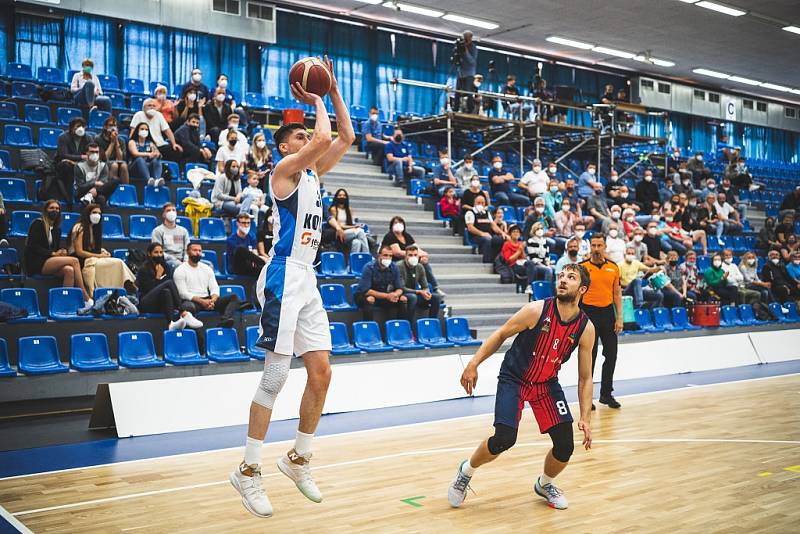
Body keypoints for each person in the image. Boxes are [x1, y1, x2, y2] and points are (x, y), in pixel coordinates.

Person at [231, 61, 355, 517]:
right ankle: (246, 471)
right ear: (285, 146)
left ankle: (298, 457)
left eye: (306, 134)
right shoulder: (283, 173)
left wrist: (335, 90)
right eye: (298, 136)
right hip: (284, 274)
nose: (307, 138)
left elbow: (344, 137)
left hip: (309, 277)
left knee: (321, 373)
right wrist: (314, 96)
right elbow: (323, 138)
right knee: (277, 376)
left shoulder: (314, 176)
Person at [448, 264, 595, 510]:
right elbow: (501, 334)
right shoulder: (536, 310)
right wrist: (473, 364)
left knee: (565, 446)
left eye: (570, 277)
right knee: (504, 438)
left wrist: (586, 417)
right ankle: (466, 471)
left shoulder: (585, 328)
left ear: (582, 289)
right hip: (514, 378)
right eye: (560, 276)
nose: (562, 280)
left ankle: (545, 484)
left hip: (546, 384)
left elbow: (585, 378)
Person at [579, 234, 623, 409]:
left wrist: (619, 317)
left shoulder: (613, 267)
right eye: (594, 245)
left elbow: (617, 294)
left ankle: (606, 395)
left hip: (607, 314)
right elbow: (576, 294)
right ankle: (587, 398)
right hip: (588, 314)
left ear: (605, 247)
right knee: (590, 357)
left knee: (611, 355)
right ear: (590, 247)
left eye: (599, 245)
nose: (596, 249)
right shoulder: (582, 267)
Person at [24, 200, 91, 304]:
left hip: (49, 260)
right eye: (52, 208)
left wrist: (61, 251)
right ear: (46, 210)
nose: (54, 210)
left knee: (69, 270)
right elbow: (33, 246)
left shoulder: (57, 229)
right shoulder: (38, 224)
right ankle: (85, 297)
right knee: (74, 261)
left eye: (57, 208)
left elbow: (54, 248)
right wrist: (52, 254)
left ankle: (64, 303)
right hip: (36, 262)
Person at [69, 203, 136, 295]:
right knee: (117, 263)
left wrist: (101, 250)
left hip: (92, 258)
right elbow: (79, 252)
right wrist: (99, 255)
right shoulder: (79, 227)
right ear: (87, 214)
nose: (97, 215)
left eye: (99, 213)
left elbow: (90, 248)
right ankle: (129, 284)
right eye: (94, 212)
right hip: (81, 260)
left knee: (117, 262)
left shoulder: (94, 228)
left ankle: (123, 286)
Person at [136, 242, 203, 330]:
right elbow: (149, 289)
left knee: (166, 291)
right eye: (156, 252)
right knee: (169, 282)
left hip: (159, 302)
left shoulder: (165, 266)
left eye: (161, 252)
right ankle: (183, 312)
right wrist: (157, 277)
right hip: (146, 302)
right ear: (149, 253)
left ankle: (170, 323)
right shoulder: (144, 269)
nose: (159, 255)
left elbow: (167, 288)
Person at [174, 242, 242, 328]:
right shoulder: (180, 270)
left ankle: (225, 320)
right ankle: (195, 335)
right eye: (194, 250)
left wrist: (212, 300)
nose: (198, 253)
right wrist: (202, 302)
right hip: (192, 301)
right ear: (188, 252)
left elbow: (214, 287)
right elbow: (182, 293)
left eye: (200, 250)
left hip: (208, 299)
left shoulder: (207, 268)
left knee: (234, 297)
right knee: (187, 307)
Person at [381, 216, 443, 296]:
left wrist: (423, 256)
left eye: (400, 222)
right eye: (395, 223)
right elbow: (398, 253)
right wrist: (416, 256)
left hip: (408, 260)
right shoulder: (390, 236)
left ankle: (434, 288)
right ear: (391, 225)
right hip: (396, 261)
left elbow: (417, 249)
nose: (398, 224)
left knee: (424, 263)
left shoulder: (407, 236)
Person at [356, 245, 407, 321]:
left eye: (390, 256)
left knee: (403, 299)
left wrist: (395, 295)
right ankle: (369, 328)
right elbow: (366, 291)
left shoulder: (394, 267)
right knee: (370, 299)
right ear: (379, 255)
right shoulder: (369, 267)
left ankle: (401, 328)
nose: (388, 258)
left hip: (386, 294)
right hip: (367, 295)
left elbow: (400, 288)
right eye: (385, 255)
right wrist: (387, 296)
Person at [129, 99, 183, 163]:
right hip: (145, 144)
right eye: (149, 105)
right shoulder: (138, 115)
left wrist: (174, 144)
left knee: (176, 151)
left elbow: (167, 131)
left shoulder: (159, 115)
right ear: (143, 108)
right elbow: (132, 133)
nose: (152, 107)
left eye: (154, 106)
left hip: (159, 144)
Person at [398, 245, 442, 323]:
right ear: (405, 256)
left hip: (414, 293)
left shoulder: (419, 267)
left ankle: (432, 325)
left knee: (436, 297)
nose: (413, 257)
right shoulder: (399, 266)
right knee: (413, 297)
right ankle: (409, 326)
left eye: (415, 255)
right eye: (410, 255)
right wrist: (419, 292)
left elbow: (425, 285)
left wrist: (426, 292)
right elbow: (401, 287)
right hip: (401, 294)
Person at [54, 118, 93, 204]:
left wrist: (76, 162)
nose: (81, 128)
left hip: (80, 164)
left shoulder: (88, 138)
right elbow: (63, 155)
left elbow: (91, 155)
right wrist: (81, 157)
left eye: (83, 126)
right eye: (78, 126)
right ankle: (69, 198)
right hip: (63, 165)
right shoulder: (63, 137)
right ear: (72, 128)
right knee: (67, 165)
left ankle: (86, 196)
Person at [74, 142, 119, 208]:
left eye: (96, 152)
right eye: (92, 152)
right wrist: (94, 183)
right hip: (83, 193)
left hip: (98, 192)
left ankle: (89, 196)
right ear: (87, 153)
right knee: (101, 198)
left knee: (115, 180)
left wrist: (94, 191)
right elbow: (80, 187)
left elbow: (103, 183)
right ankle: (88, 197)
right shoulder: (79, 166)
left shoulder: (103, 165)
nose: (94, 154)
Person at [464, 195, 507, 263]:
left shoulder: (487, 212)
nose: (480, 204)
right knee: (487, 240)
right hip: (476, 236)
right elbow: (470, 228)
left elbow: (493, 225)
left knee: (500, 239)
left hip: (488, 235)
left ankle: (497, 260)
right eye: (478, 203)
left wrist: (502, 233)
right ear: (474, 203)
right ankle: (487, 261)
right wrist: (482, 233)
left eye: (482, 203)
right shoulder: (470, 213)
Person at [618, 244, 664, 309]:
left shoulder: (636, 263)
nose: (630, 255)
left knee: (659, 295)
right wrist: (631, 284)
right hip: (625, 290)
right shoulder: (619, 265)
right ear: (624, 254)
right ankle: (640, 304)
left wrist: (659, 267)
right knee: (637, 280)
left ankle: (651, 314)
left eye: (632, 254)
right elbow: (618, 283)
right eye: (629, 253)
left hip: (637, 289)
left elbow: (649, 270)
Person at [327, 188, 370, 254]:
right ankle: (367, 255)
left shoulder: (349, 209)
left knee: (357, 242)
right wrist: (353, 227)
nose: (342, 197)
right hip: (339, 233)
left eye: (344, 195)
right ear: (336, 197)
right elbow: (339, 225)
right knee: (360, 231)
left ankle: (353, 262)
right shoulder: (333, 209)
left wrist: (354, 226)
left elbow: (350, 222)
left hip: (349, 233)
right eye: (340, 195)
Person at [151, 203, 190, 270]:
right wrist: (175, 260)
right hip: (167, 261)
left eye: (173, 210)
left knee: (208, 264)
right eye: (168, 210)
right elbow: (158, 251)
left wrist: (185, 262)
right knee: (174, 264)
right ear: (163, 214)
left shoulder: (183, 231)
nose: (171, 212)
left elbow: (187, 249)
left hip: (183, 261)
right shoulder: (157, 231)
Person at [95, 117, 129, 184]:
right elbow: (104, 158)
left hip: (117, 162)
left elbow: (121, 158)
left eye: (115, 126)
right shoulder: (98, 139)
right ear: (105, 127)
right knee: (114, 165)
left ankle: (125, 191)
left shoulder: (121, 140)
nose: (113, 128)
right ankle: (110, 189)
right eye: (110, 125)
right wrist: (112, 143)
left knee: (124, 165)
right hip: (102, 162)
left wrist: (116, 141)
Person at [453, 30, 478, 113]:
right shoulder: (460, 45)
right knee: (457, 92)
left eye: (467, 39)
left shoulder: (473, 48)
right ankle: (455, 109)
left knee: (468, 92)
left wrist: (466, 51)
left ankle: (469, 110)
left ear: (470, 38)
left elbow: (472, 62)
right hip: (460, 73)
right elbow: (455, 58)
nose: (466, 41)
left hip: (469, 74)